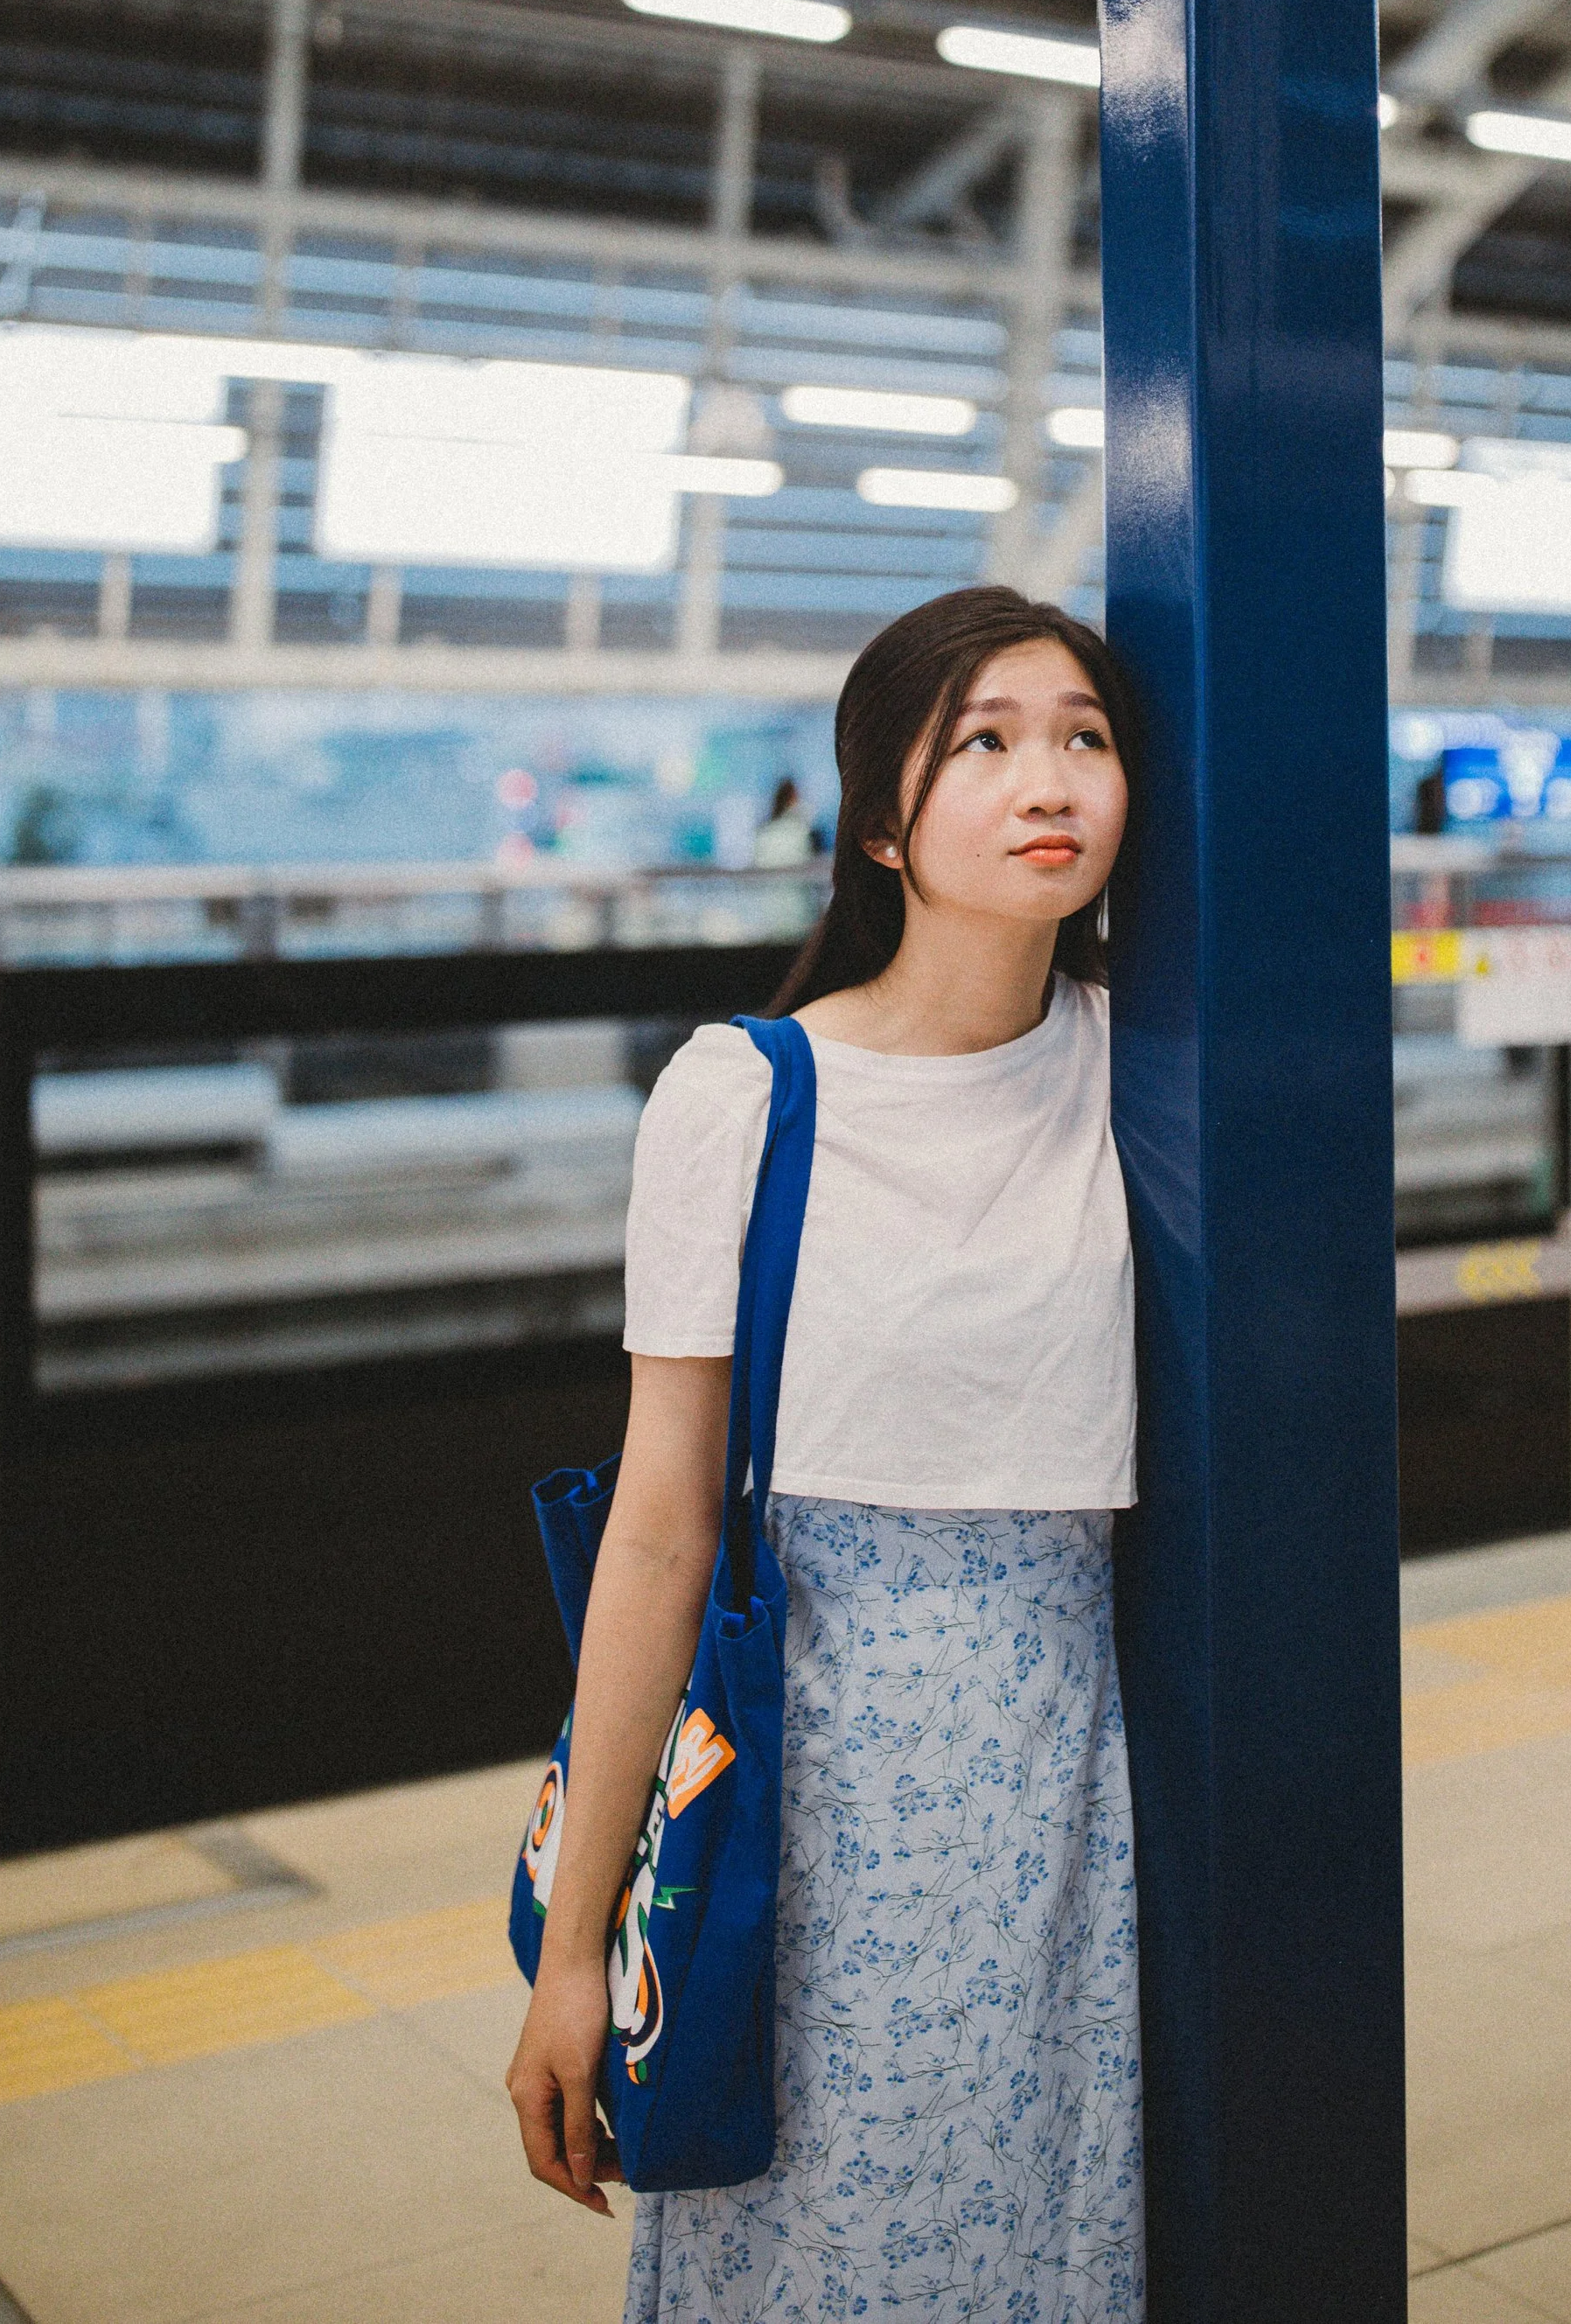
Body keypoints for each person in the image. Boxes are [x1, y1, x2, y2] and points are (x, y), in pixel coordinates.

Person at [507, 584, 1145, 2322]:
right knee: (818, 2251)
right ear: (878, 819)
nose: (1049, 780)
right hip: (814, 1795)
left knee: (1057, 2247)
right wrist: (574, 1956)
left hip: (1077, 1778)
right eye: (986, 742)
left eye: (1082, 738)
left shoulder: (1141, 1069)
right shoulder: (745, 1096)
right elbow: (657, 1533)